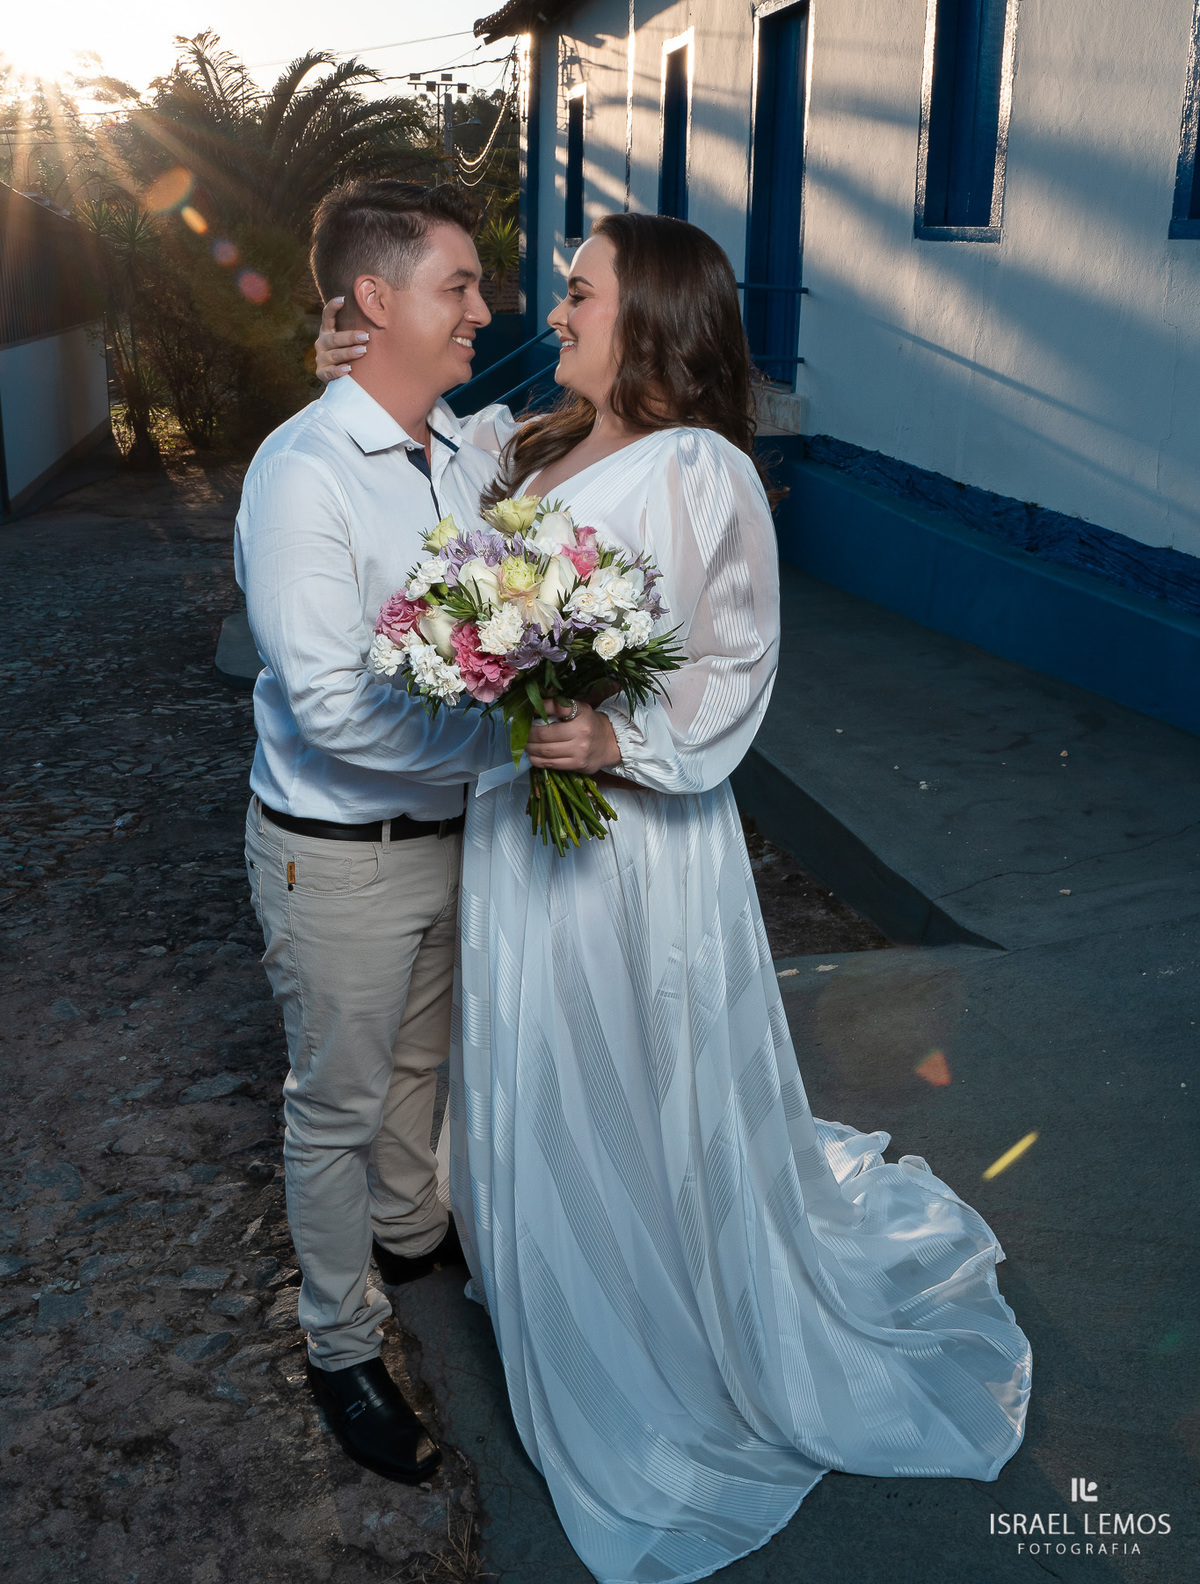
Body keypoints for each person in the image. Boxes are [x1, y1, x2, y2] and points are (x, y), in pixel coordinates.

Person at [315, 213, 1031, 1581]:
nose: (557, 310)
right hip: (523, 822)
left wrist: (618, 739)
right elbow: (437, 471)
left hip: (630, 843)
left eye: (581, 293)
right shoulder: (530, 443)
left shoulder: (702, 467)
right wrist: (358, 363)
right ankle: (559, 1268)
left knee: (630, 1055)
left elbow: (734, 664)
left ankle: (656, 1306)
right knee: (540, 1053)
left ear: (651, 318)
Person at [237, 179, 514, 1485]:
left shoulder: (457, 449)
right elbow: (331, 703)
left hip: (451, 837)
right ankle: (340, 1345)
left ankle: (411, 1236)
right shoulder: (303, 474)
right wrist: (507, 749)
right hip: (340, 858)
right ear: (373, 300)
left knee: (420, 1064)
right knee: (336, 1108)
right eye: (459, 285)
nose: (484, 310)